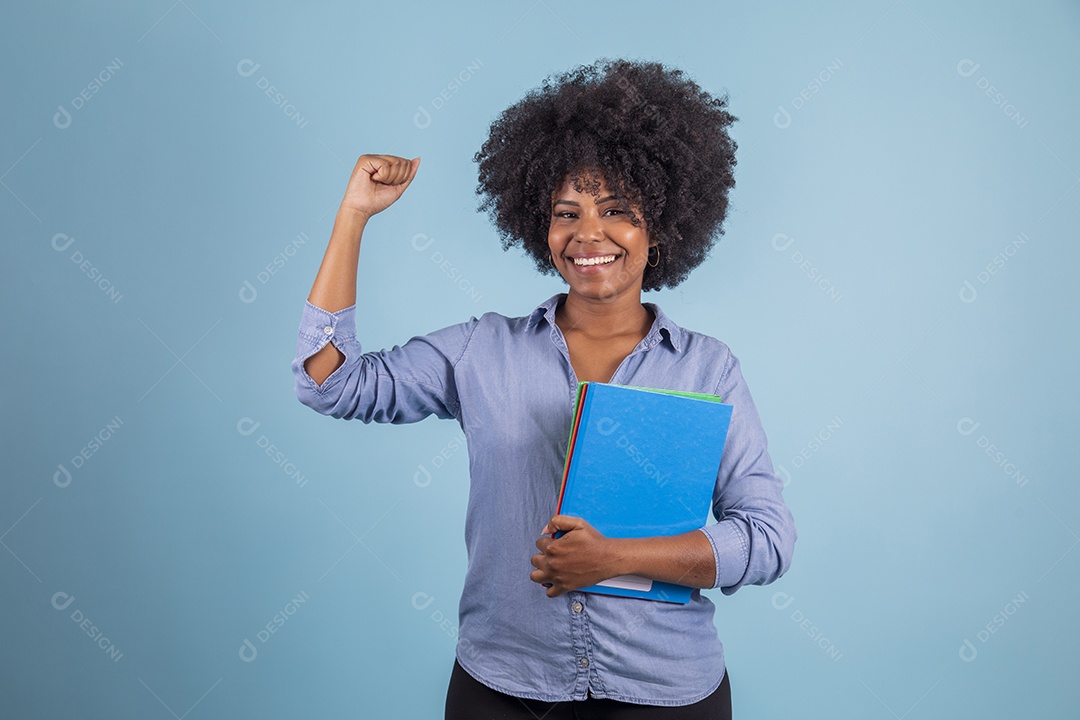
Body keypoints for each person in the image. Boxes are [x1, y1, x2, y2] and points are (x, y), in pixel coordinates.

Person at [292, 59, 796, 719]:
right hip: (503, 686)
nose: (589, 234)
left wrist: (614, 558)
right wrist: (353, 215)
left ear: (661, 224)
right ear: (540, 227)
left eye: (617, 210)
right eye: (567, 212)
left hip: (666, 693)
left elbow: (766, 538)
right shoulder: (481, 350)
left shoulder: (708, 368)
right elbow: (331, 384)